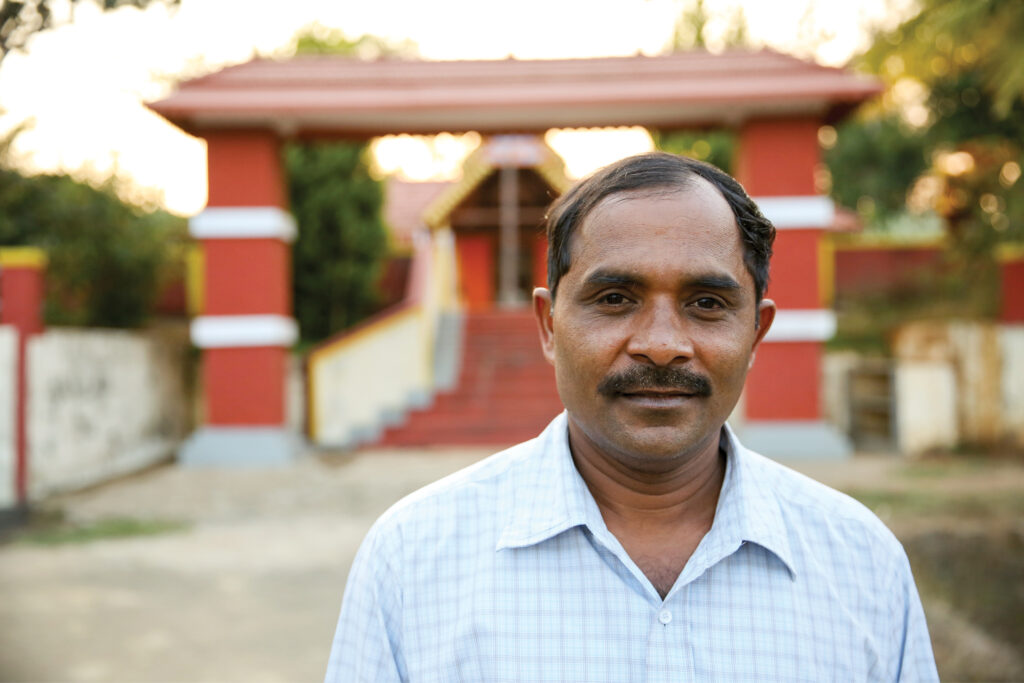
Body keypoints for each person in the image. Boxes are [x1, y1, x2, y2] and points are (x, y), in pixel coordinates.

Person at [324, 152, 939, 682]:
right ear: (549, 325)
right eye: (615, 299)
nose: (662, 343)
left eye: (706, 303)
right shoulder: (413, 558)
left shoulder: (861, 562)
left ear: (757, 331)